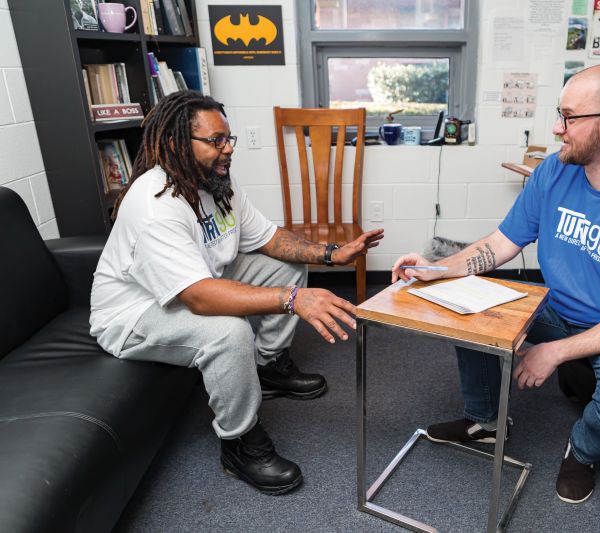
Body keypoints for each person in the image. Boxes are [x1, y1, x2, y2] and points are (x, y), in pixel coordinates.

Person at [391, 64, 600, 504]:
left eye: (569, 118)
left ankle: (583, 448)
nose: (557, 128)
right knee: (460, 306)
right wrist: (439, 271)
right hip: (553, 307)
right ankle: (485, 423)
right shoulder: (554, 172)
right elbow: (502, 242)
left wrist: (552, 352)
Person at [90, 91, 383, 495]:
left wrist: (333, 254)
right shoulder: (154, 206)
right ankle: (239, 442)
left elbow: (268, 239)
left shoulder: (215, 182)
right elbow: (200, 298)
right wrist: (294, 300)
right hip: (134, 314)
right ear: (177, 144)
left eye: (228, 139)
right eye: (216, 141)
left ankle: (268, 366)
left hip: (199, 276)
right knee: (228, 332)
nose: (227, 149)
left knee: (287, 264)